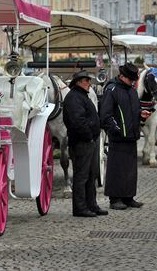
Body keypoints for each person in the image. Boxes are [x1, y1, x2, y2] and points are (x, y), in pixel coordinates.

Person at [100, 62, 151, 210]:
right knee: (116, 168)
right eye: (130, 79)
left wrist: (141, 115)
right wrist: (115, 129)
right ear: (122, 76)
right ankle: (115, 198)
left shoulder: (131, 91)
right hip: (118, 137)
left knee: (130, 169)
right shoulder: (112, 90)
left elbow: (133, 111)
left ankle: (128, 197)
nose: (132, 82)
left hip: (131, 135)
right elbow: (106, 115)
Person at [63, 70, 108, 217]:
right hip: (82, 141)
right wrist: (89, 136)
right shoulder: (74, 97)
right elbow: (77, 121)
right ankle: (80, 208)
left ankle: (91, 205)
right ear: (79, 82)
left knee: (91, 174)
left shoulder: (82, 96)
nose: (89, 83)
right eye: (87, 81)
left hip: (89, 141)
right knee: (82, 176)